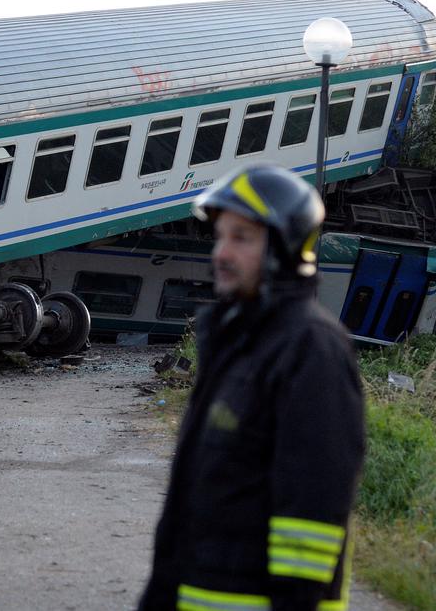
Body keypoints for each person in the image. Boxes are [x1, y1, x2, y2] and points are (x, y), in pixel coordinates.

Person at [139, 164, 365, 611]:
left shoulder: (311, 348)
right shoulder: (236, 338)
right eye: (220, 236)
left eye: (241, 238)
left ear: (284, 247)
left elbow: (314, 504)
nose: (221, 253)